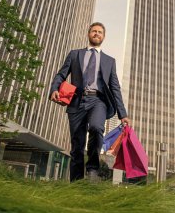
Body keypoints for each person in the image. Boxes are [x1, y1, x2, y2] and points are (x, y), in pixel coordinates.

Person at [49, 22, 129, 182]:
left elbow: (115, 88)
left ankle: (92, 169)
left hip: (98, 101)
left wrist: (123, 114)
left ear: (103, 37)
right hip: (77, 101)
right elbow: (61, 74)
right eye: (94, 31)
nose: (97, 34)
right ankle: (77, 183)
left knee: (96, 127)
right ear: (89, 34)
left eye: (100, 32)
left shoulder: (109, 61)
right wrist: (54, 89)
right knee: (77, 145)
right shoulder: (74, 54)